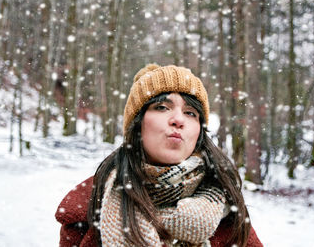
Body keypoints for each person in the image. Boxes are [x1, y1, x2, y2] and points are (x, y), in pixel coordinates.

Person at [55, 64, 264, 247]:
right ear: (137, 125)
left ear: (199, 132)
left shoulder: (227, 209)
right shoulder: (89, 207)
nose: (178, 120)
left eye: (191, 113)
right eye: (162, 107)